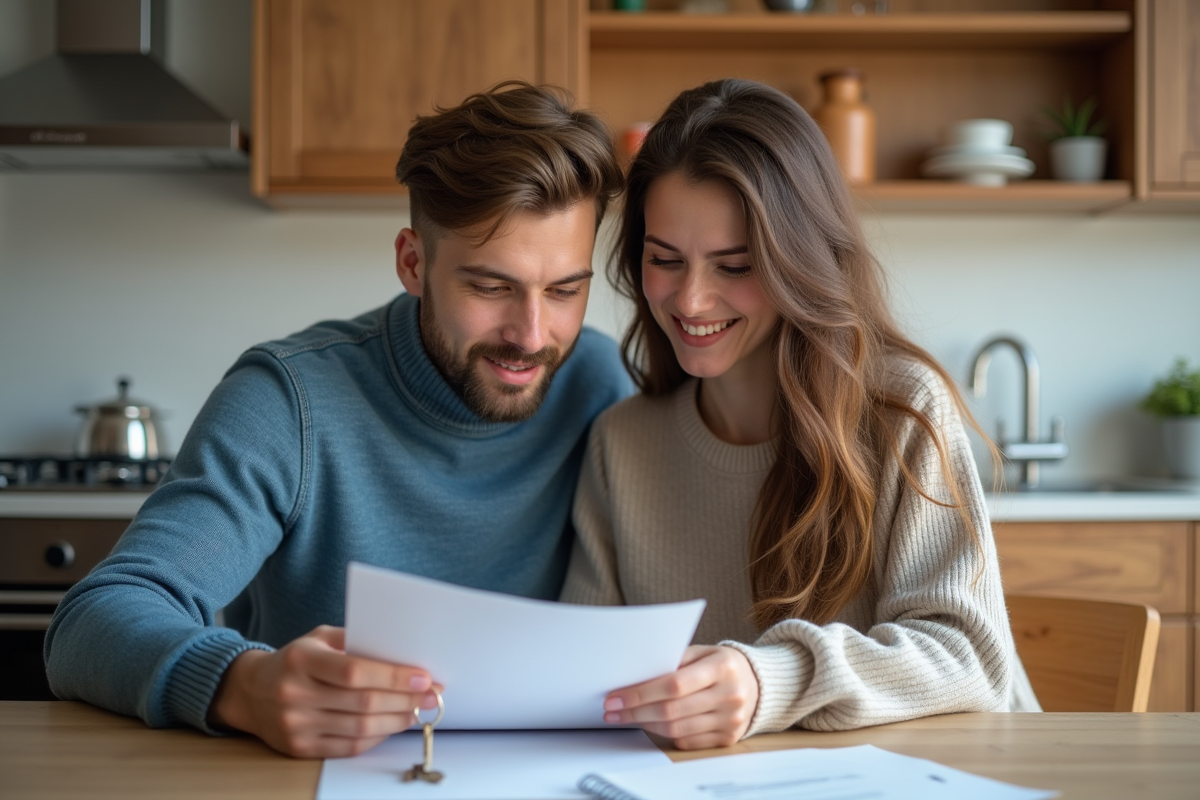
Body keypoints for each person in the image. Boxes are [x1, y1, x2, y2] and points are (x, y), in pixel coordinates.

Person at [45, 82, 630, 758]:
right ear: (413, 262)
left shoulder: (599, 383)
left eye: (564, 291)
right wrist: (245, 683)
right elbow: (88, 624)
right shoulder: (288, 399)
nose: (531, 335)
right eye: (490, 287)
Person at [561, 78, 1039, 751]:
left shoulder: (903, 411)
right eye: (665, 259)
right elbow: (584, 675)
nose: (692, 300)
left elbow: (971, 659)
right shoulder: (623, 444)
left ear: (802, 261)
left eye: (735, 265)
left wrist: (769, 680)